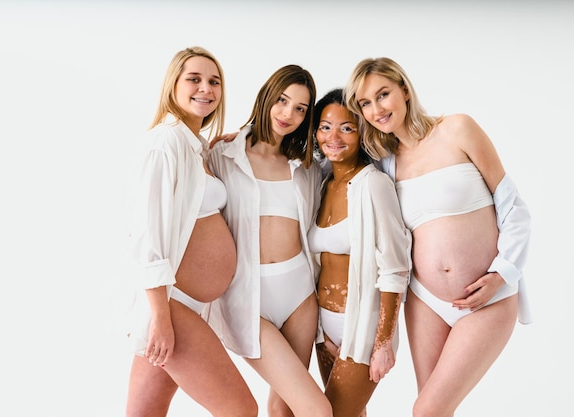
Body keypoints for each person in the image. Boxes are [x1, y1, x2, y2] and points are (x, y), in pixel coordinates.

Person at [344, 57, 531, 417]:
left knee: (427, 410)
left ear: (403, 88)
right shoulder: (384, 160)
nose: (376, 109)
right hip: (425, 300)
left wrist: (502, 273)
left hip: (485, 298)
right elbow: (329, 154)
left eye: (383, 95)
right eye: (365, 104)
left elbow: (514, 208)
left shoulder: (457, 129)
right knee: (432, 410)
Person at [124, 46, 258, 417]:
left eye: (214, 82)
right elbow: (147, 236)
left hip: (191, 307)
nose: (206, 89)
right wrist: (161, 319)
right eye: (194, 79)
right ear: (173, 86)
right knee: (241, 409)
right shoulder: (165, 142)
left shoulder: (196, 147)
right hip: (170, 307)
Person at [204, 64, 332, 417]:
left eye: (300, 108)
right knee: (316, 409)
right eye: (282, 100)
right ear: (266, 97)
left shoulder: (306, 166)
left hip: (300, 297)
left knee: (284, 407)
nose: (288, 114)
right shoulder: (223, 155)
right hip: (248, 299)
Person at [309, 89, 412, 417]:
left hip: (364, 327)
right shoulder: (321, 184)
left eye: (347, 128)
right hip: (325, 326)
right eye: (325, 127)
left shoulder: (374, 185)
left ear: (362, 133)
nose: (333, 137)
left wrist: (384, 343)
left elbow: (395, 268)